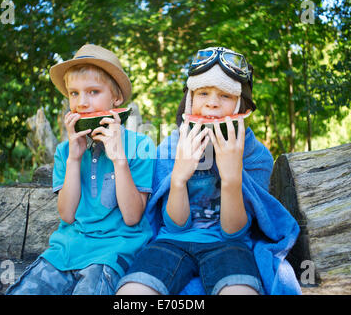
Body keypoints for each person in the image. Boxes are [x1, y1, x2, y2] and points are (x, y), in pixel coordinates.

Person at [116, 47, 301, 295]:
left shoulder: (256, 156)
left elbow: (233, 232)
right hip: (171, 241)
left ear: (240, 104)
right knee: (131, 295)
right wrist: (179, 177)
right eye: (203, 93)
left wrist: (232, 179)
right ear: (189, 100)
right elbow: (175, 227)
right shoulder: (169, 148)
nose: (212, 103)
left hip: (229, 245)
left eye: (225, 95)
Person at [6, 44, 155, 295]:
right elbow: (66, 215)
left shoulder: (141, 146)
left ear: (116, 98)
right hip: (64, 251)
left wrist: (119, 158)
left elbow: (132, 217)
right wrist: (74, 159)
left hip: (113, 252)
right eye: (74, 94)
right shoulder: (65, 151)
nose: (82, 103)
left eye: (93, 92)